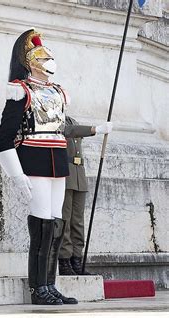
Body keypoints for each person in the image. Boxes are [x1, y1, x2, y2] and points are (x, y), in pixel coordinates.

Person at [0, 29, 108, 305]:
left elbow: (62, 129)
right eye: (44, 58)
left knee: (57, 222)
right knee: (42, 223)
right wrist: (17, 174)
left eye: (50, 57)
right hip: (33, 158)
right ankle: (38, 287)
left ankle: (50, 283)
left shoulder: (58, 92)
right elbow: (4, 137)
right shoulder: (20, 91)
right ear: (32, 62)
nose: (49, 62)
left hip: (58, 160)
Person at [60, 116, 112, 275]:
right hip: (66, 174)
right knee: (65, 219)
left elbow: (75, 128)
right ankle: (64, 260)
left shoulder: (72, 120)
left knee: (78, 220)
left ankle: (77, 259)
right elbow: (70, 131)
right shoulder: (56, 121)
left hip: (78, 174)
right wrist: (95, 129)